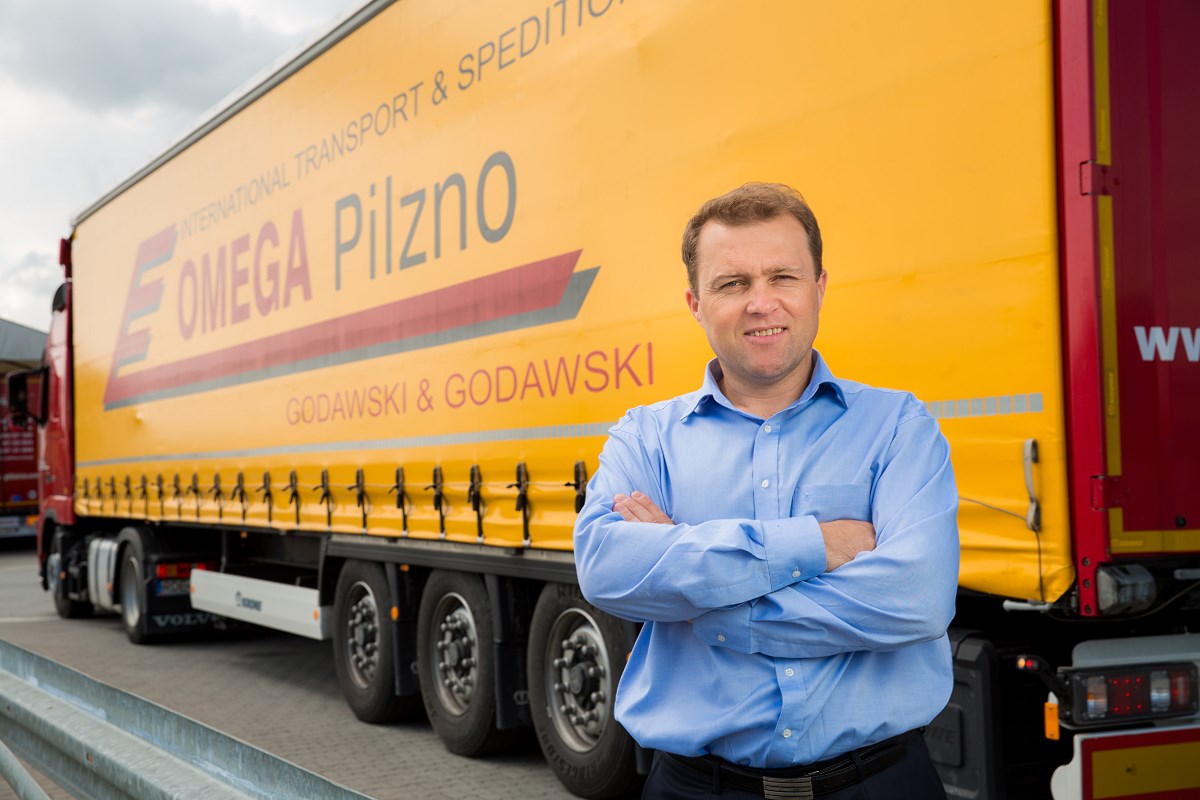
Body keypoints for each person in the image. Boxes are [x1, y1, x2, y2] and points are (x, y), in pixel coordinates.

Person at [574, 182, 958, 799]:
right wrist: (814, 545)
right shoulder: (645, 437)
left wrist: (704, 596)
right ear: (696, 303)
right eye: (732, 284)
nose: (762, 303)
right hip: (695, 788)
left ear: (819, 288)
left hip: (881, 783)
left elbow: (916, 598)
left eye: (783, 276)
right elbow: (605, 568)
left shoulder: (897, 427)